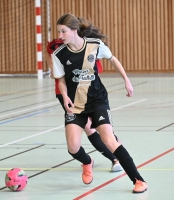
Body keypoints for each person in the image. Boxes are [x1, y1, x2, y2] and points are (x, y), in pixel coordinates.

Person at [52, 14, 148, 193]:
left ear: (74, 31)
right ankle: (87, 162)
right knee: (72, 147)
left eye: (63, 31)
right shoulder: (59, 54)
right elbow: (61, 80)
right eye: (59, 32)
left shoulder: (94, 45)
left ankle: (138, 180)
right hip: (75, 104)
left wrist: (126, 80)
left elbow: (113, 59)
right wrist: (64, 96)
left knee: (109, 139)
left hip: (97, 100)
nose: (60, 36)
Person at [46, 39, 123, 172]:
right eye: (60, 31)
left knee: (98, 128)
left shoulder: (89, 47)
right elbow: (54, 72)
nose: (62, 34)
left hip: (87, 92)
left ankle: (115, 154)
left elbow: (97, 70)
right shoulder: (55, 48)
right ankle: (109, 158)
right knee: (89, 129)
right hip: (66, 95)